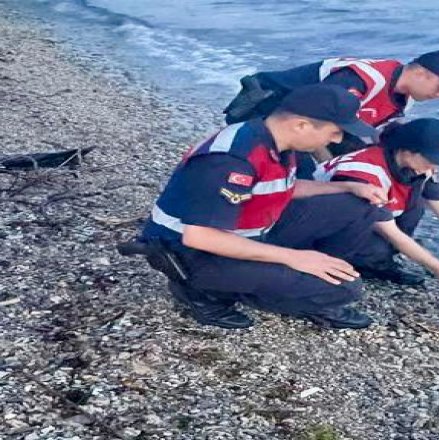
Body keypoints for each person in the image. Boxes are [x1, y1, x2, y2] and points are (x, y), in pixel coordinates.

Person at [139, 84, 395, 330]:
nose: (337, 139)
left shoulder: (276, 141)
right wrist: (294, 258)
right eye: (335, 131)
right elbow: (200, 237)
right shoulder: (231, 159)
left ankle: (312, 277)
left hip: (244, 231)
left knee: (358, 205)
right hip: (192, 254)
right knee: (345, 289)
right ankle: (202, 292)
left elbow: (284, 187)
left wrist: (347, 187)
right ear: (301, 125)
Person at [314, 118, 439, 298]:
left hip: (372, 224)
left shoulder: (417, 168)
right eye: (432, 159)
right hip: (322, 232)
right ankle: (349, 264)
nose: (435, 167)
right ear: (408, 151)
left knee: (417, 202)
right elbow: (390, 231)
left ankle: (376, 262)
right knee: (372, 253)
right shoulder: (365, 172)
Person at [223, 50, 439, 178]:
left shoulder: (402, 101)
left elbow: (376, 138)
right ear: (421, 73)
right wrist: (328, 167)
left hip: (321, 123)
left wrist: (424, 159)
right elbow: (313, 122)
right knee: (303, 175)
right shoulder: (361, 79)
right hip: (267, 108)